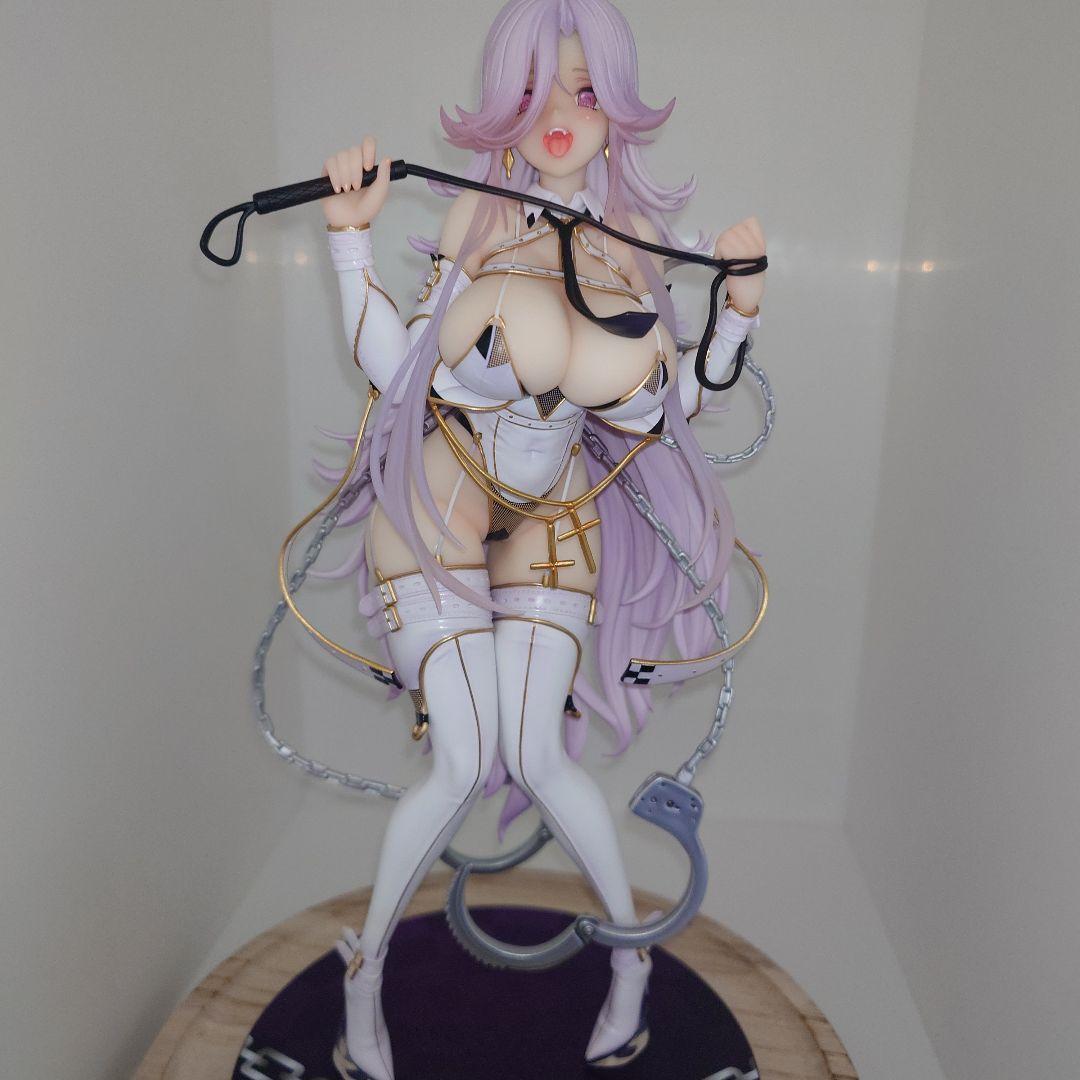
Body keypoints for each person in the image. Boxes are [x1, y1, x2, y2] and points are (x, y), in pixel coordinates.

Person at [318, 2, 765, 1076]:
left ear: (620, 109)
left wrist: (740, 312)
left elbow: (678, 407)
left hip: (560, 514)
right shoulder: (477, 220)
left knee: (541, 756)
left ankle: (631, 962)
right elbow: (396, 366)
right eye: (533, 90)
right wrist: (346, 241)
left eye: (586, 90)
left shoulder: (632, 247)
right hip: (443, 499)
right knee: (461, 760)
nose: (561, 113)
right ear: (500, 104)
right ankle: (364, 975)